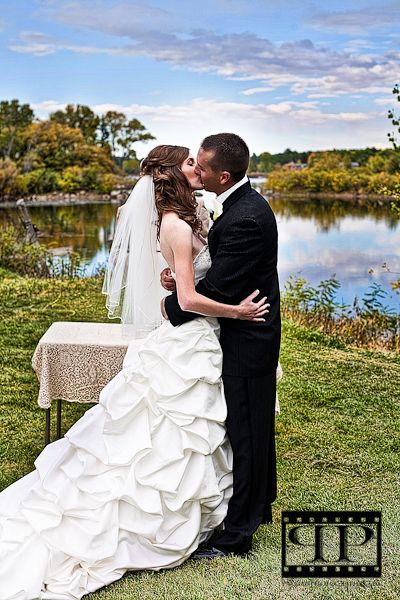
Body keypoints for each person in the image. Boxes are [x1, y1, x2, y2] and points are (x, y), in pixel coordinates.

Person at [0, 145, 269, 600]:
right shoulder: (176, 225)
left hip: (197, 339)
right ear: (172, 173)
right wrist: (235, 311)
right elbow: (187, 300)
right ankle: (156, 517)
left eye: (200, 163)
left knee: (187, 430)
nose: (196, 169)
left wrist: (182, 283)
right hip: (190, 338)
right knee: (170, 431)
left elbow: (184, 282)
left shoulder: (190, 217)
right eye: (190, 163)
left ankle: (214, 507)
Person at [161, 133, 281, 559]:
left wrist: (171, 305)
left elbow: (221, 287)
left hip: (248, 340)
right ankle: (260, 505)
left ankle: (237, 536)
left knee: (247, 435)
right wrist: (182, 280)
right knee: (255, 428)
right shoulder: (241, 205)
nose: (199, 171)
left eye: (204, 167)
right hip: (244, 337)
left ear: (223, 175)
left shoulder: (245, 217)